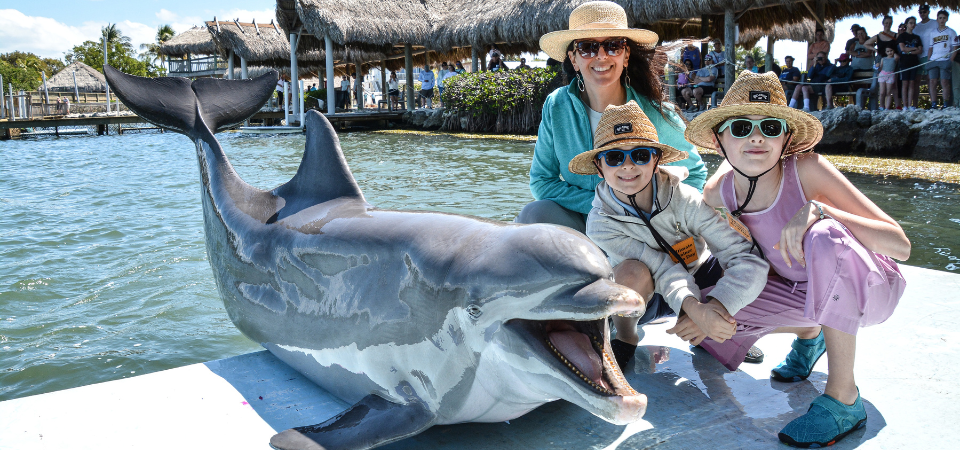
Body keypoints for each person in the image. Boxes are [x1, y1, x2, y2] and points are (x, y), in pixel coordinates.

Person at [688, 71, 909, 448]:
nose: (756, 137)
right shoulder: (718, 192)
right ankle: (811, 334)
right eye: (740, 127)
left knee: (825, 236)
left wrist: (821, 210)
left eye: (770, 126)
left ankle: (844, 398)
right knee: (706, 316)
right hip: (798, 292)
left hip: (867, 289)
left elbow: (899, 245)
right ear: (717, 138)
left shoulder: (807, 170)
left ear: (786, 138)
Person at [519, 0, 709, 333]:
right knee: (535, 216)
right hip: (588, 222)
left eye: (613, 45)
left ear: (626, 55)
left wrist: (646, 210)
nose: (601, 56)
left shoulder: (654, 110)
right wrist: (606, 205)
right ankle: (547, 314)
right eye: (588, 47)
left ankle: (628, 319)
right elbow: (543, 182)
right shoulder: (557, 105)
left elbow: (695, 173)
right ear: (574, 59)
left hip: (646, 230)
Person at [569, 101, 768, 368]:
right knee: (629, 272)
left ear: (656, 160)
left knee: (737, 264)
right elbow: (662, 269)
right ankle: (627, 337)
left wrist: (718, 307)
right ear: (599, 166)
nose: (628, 166)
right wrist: (694, 309)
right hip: (647, 294)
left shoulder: (686, 198)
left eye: (640, 155)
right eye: (614, 157)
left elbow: (740, 253)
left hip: (699, 275)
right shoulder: (600, 223)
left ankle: (715, 330)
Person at [865, 15, 901, 108]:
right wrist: (875, 50)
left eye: (889, 23)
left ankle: (897, 105)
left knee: (894, 84)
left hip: (892, 61)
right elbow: (866, 43)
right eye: (886, 23)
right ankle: (879, 106)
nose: (888, 25)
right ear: (883, 23)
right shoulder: (878, 36)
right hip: (881, 60)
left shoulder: (896, 35)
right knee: (879, 85)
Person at [926, 10, 957, 108]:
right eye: (940, 18)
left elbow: (955, 47)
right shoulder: (933, 32)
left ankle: (946, 103)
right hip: (934, 59)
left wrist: (951, 59)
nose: (942, 20)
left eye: (944, 18)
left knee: (944, 82)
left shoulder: (951, 32)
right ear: (937, 19)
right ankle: (934, 103)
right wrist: (929, 59)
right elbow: (930, 47)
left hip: (945, 59)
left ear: (947, 19)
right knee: (932, 81)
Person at [915, 4, 938, 107]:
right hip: (917, 56)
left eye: (924, 12)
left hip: (931, 55)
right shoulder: (916, 26)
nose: (922, 14)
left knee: (931, 80)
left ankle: (933, 103)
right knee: (916, 81)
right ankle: (914, 105)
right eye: (920, 12)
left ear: (928, 12)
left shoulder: (935, 23)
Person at [899, 17, 924, 109]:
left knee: (912, 83)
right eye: (910, 23)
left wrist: (908, 51)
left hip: (914, 62)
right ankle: (905, 105)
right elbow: (902, 49)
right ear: (906, 24)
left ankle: (910, 105)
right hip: (904, 62)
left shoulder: (917, 37)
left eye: (914, 23)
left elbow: (920, 50)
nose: (912, 25)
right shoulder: (902, 36)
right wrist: (913, 49)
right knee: (905, 84)